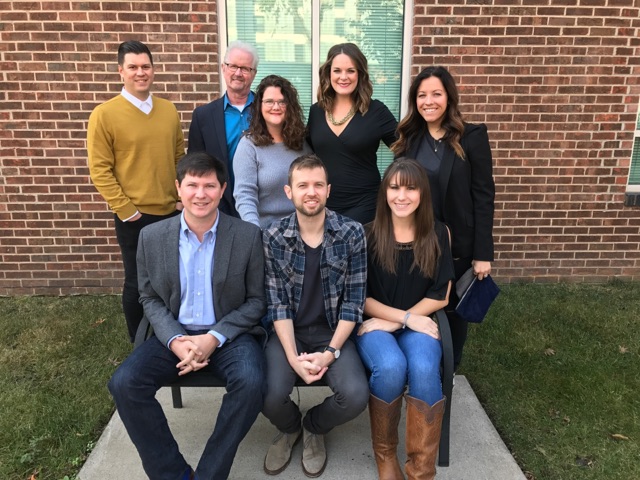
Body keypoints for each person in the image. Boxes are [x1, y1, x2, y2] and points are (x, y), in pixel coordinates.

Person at [108, 152, 267, 480]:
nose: (201, 194)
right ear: (179, 188)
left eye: (209, 185)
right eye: (192, 184)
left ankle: (209, 474)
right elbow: (148, 297)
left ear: (223, 189)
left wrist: (214, 338)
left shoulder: (247, 236)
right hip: (174, 334)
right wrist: (176, 339)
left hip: (229, 336)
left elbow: (256, 301)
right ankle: (173, 474)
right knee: (125, 383)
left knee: (252, 383)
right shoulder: (151, 238)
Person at [261, 154, 369, 477]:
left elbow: (353, 303)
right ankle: (291, 426)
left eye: (318, 185)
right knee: (266, 394)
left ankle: (314, 426)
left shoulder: (352, 234)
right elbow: (277, 303)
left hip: (333, 331)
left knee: (354, 395)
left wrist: (330, 353)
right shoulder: (273, 236)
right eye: (303, 185)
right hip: (288, 333)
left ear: (328, 190)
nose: (311, 192)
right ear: (288, 192)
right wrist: (293, 358)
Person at [354, 158, 455, 480]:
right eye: (395, 187)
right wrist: (403, 318)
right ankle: (385, 456)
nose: (402, 196)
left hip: (415, 322)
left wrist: (402, 321)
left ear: (422, 193)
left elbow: (441, 294)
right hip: (375, 324)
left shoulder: (439, 233)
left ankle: (421, 472)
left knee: (425, 368)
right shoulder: (367, 235)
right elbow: (360, 297)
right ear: (384, 192)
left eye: (410, 188)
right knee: (392, 366)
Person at [391, 65, 495, 370]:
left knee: (452, 313)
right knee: (421, 304)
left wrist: (482, 253)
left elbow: (484, 196)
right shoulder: (409, 140)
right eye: (422, 95)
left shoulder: (471, 136)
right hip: (418, 240)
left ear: (448, 97)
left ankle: (448, 370)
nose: (429, 101)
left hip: (458, 244)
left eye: (436, 93)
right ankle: (415, 366)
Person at [87, 40, 185, 342]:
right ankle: (138, 343)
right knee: (137, 283)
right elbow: (100, 170)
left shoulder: (168, 110)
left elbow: (179, 157)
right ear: (121, 72)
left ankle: (171, 336)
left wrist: (182, 197)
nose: (140, 72)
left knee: (171, 281)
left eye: (146, 66)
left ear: (153, 70)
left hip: (171, 213)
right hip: (135, 218)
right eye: (133, 67)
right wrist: (127, 211)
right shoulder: (104, 115)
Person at [306, 43, 397, 225]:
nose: (343, 77)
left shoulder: (376, 111)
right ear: (328, 74)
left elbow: (406, 148)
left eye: (351, 71)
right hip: (324, 205)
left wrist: (394, 185)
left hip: (366, 205)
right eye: (337, 71)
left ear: (360, 74)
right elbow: (308, 154)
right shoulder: (316, 111)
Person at [188, 40, 259, 217]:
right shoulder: (203, 116)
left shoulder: (268, 110)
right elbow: (195, 165)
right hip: (220, 207)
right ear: (223, 68)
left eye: (245, 68)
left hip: (260, 205)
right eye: (233, 66)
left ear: (254, 73)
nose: (238, 73)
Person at [233, 75, 312, 228]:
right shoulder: (249, 145)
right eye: (269, 101)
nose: (276, 107)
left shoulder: (301, 143)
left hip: (302, 231)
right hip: (265, 233)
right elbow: (244, 196)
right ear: (259, 106)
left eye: (282, 102)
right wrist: (254, 233)